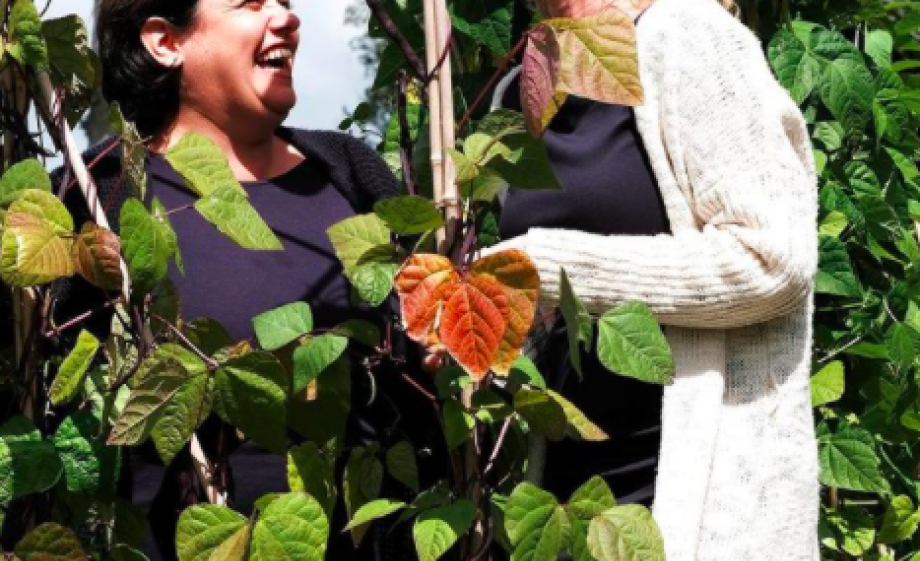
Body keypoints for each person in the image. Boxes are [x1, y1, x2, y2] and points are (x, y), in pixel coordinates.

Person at [53, 1, 433, 559]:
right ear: (165, 41)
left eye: (286, 2)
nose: (286, 18)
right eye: (252, 3)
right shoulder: (99, 197)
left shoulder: (351, 174)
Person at [490, 0, 819, 559]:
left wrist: (550, 266)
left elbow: (774, 261)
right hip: (564, 512)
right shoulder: (519, 86)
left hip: (699, 517)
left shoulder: (688, 34)